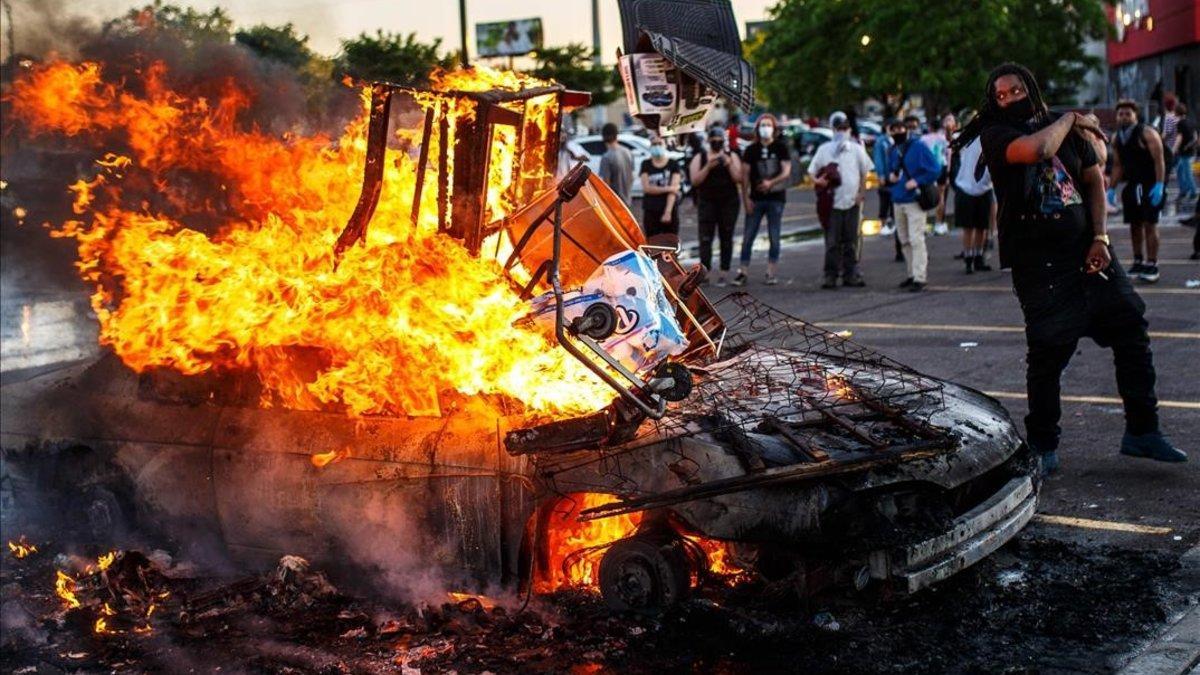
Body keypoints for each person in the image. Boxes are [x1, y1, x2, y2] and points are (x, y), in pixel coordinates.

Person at [953, 62, 1185, 473]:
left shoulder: (1064, 131)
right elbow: (1038, 150)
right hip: (1039, 263)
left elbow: (1094, 178)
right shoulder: (996, 134)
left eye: (1016, 90)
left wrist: (1101, 236)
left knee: (1131, 326)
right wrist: (1072, 120)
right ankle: (1043, 444)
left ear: (1032, 89)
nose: (1008, 99)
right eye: (1000, 95)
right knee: (1047, 352)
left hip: (1087, 253)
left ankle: (1143, 432)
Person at [810, 111, 873, 288]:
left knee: (851, 240)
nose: (841, 132)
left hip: (852, 202)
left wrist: (861, 193)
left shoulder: (857, 150)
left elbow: (864, 172)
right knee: (832, 242)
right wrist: (819, 181)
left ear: (849, 130)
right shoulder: (824, 150)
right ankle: (830, 274)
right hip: (832, 203)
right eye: (838, 128)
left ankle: (850, 273)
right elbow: (812, 171)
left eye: (844, 128)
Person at [1109, 100, 1166, 282]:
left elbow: (1159, 160)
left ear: (1135, 115)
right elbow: (1118, 166)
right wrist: (1110, 188)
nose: (1124, 116)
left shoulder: (1147, 132)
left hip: (1150, 185)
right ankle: (1138, 261)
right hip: (1132, 187)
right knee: (1134, 225)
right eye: (1121, 114)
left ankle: (1152, 264)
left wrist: (1160, 185)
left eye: (1128, 113)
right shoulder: (1117, 138)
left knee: (1150, 223)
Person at [733, 114, 791, 286]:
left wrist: (770, 182)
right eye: (762, 125)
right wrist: (745, 199)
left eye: (768, 125)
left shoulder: (781, 148)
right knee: (748, 236)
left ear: (774, 128)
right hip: (756, 199)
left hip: (776, 198)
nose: (765, 128)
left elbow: (786, 171)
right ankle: (743, 271)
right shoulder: (751, 150)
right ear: (757, 128)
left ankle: (771, 272)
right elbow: (745, 176)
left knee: (774, 235)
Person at [888, 115, 940, 291]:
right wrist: (892, 177)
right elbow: (893, 171)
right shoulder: (894, 149)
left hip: (914, 200)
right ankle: (911, 274)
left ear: (906, 130)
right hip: (898, 198)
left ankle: (920, 276)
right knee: (904, 240)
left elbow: (935, 169)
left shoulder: (918, 146)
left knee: (916, 239)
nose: (897, 132)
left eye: (899, 129)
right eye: (893, 130)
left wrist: (917, 181)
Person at [690, 127, 744, 286]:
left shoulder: (731, 156)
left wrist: (728, 164)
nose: (717, 143)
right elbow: (695, 180)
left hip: (728, 203)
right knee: (705, 238)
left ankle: (724, 272)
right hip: (707, 203)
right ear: (708, 141)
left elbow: (739, 178)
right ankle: (705, 272)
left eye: (720, 141)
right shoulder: (700, 157)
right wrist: (708, 166)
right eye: (714, 141)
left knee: (726, 236)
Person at [953, 134, 995, 273]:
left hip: (984, 188)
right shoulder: (970, 140)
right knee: (969, 227)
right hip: (966, 187)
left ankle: (978, 257)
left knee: (981, 227)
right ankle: (969, 259)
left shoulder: (995, 139)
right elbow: (953, 141)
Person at [638, 134, 683, 238]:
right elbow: (647, 188)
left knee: (671, 245)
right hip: (651, 211)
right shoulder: (646, 164)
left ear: (665, 145)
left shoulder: (673, 164)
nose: (657, 146)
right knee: (653, 244)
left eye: (659, 143)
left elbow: (674, 190)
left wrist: (668, 212)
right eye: (654, 144)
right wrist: (669, 188)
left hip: (669, 211)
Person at [597, 123, 634, 208]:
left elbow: (606, 184)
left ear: (603, 137)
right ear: (616, 136)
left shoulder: (606, 157)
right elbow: (631, 177)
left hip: (615, 203)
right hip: (628, 200)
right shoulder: (628, 152)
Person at [1171, 102, 1197, 213]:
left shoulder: (1180, 123)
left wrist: (1173, 149)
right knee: (1181, 170)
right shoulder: (1190, 121)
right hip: (1191, 150)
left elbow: (1179, 137)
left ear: (1176, 112)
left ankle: (1192, 192)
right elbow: (1195, 136)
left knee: (1187, 172)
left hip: (1184, 152)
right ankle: (1183, 190)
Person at [874, 118, 897, 236]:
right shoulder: (881, 141)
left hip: (896, 176)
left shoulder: (896, 140)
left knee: (894, 200)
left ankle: (893, 224)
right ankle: (883, 225)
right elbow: (878, 160)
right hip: (886, 175)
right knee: (884, 200)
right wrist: (881, 175)